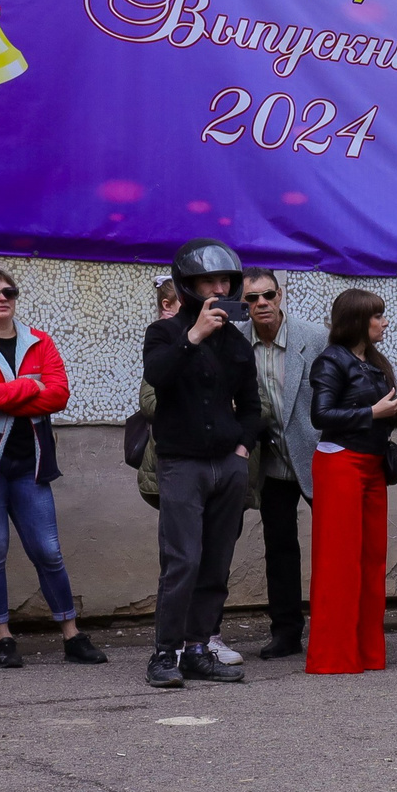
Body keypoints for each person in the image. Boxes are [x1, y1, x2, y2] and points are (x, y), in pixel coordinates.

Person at [0, 263, 103, 667]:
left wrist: (5, 390)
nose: (1, 299)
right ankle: (3, 638)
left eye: (8, 292)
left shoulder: (39, 341)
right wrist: (32, 385)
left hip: (29, 464)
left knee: (48, 551)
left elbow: (59, 395)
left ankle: (72, 635)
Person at [143, 240, 265, 689]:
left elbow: (252, 406)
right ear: (187, 286)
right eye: (209, 282)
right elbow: (158, 377)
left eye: (225, 282)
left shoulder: (237, 342)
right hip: (181, 465)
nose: (219, 289)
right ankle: (165, 653)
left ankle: (198, 649)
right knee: (183, 561)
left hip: (227, 466)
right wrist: (193, 336)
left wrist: (242, 450)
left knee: (217, 562)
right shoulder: (164, 333)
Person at [305, 290, 397, 674]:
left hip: (371, 466)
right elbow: (320, 416)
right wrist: (374, 411)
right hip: (340, 464)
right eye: (378, 315)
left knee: (371, 560)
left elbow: (373, 414)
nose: (385, 322)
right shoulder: (330, 361)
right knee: (339, 562)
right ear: (357, 319)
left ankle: (366, 653)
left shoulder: (374, 362)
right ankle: (333, 657)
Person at [238, 269, 327, 661]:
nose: (261, 304)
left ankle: (335, 627)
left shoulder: (316, 339)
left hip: (318, 455)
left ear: (280, 295)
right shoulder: (236, 343)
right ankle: (286, 632)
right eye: (251, 299)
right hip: (271, 461)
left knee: (334, 545)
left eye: (267, 295)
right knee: (280, 549)